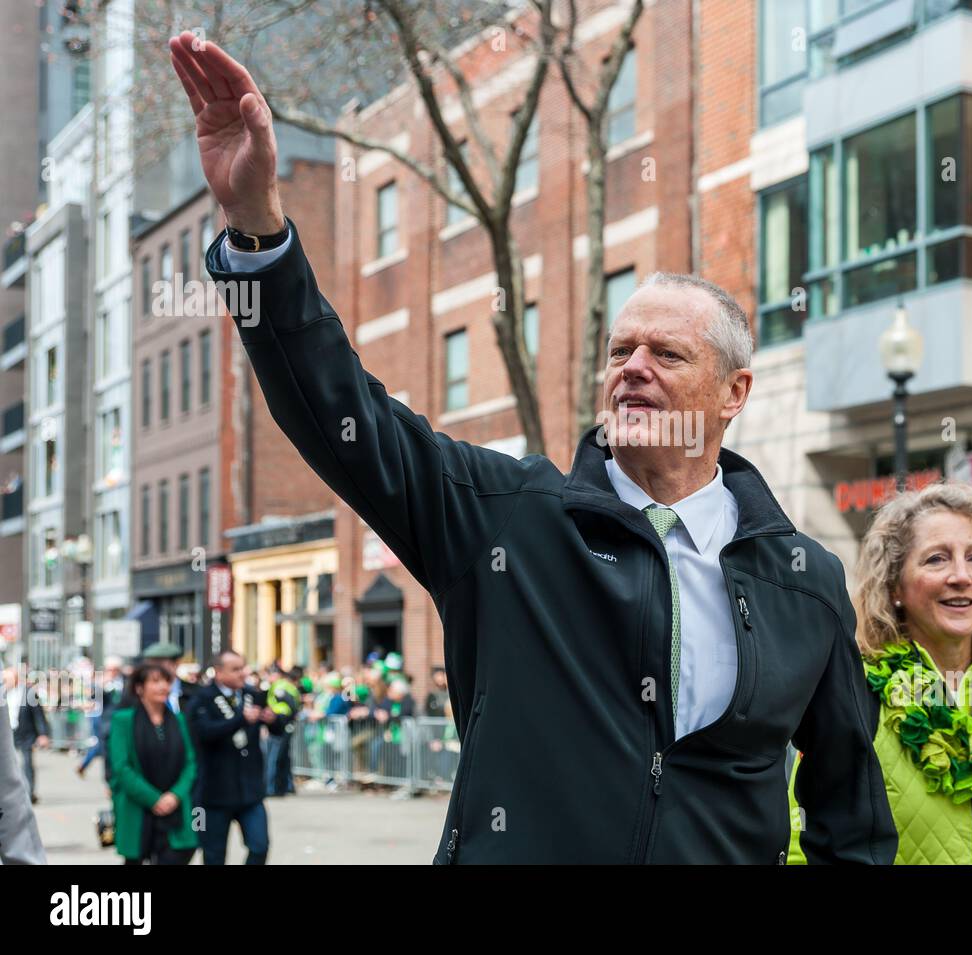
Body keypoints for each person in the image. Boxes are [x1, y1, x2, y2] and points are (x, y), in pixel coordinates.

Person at [169, 32, 896, 864]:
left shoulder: (803, 579)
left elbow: (851, 807)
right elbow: (346, 417)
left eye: (667, 355)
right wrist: (257, 229)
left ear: (733, 394)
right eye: (621, 352)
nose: (633, 371)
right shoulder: (506, 519)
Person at [789, 482, 972, 865]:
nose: (961, 576)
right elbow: (805, 845)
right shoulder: (853, 693)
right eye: (937, 559)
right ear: (895, 583)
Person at [108, 663, 200, 865]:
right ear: (140, 688)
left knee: (180, 854)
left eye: (166, 681)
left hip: (175, 808)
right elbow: (121, 767)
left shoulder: (179, 721)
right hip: (138, 807)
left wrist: (174, 796)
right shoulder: (123, 720)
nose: (163, 687)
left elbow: (190, 763)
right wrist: (154, 799)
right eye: (155, 681)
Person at [190, 651, 276, 865]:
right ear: (218, 672)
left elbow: (278, 728)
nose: (242, 673)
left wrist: (274, 720)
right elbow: (204, 732)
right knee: (214, 855)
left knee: (260, 846)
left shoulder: (251, 695)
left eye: (243, 668)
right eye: (235, 669)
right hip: (215, 792)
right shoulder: (202, 698)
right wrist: (240, 720)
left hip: (250, 790)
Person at [0, 699, 45, 864]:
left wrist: (43, 733)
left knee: (26, 766)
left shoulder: (28, 695)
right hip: (16, 734)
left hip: (25, 736)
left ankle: (32, 790)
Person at [4, 668, 49, 804]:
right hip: (9, 733)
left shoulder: (29, 693)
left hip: (26, 733)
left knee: (27, 763)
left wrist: (43, 734)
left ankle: (29, 794)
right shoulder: (4, 693)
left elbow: (39, 715)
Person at [79, 656, 125, 780]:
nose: (112, 672)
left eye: (114, 670)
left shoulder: (125, 682)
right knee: (105, 750)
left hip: (122, 723)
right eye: (109, 669)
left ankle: (84, 765)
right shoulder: (101, 683)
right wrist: (102, 685)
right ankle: (108, 778)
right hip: (105, 723)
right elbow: (92, 697)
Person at [263, 664, 300, 797]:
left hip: (280, 724)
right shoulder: (287, 686)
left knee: (274, 757)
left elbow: (287, 706)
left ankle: (271, 788)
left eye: (270, 674)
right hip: (284, 724)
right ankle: (286, 786)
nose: (267, 677)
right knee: (283, 757)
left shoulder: (279, 686)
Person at [141, 642, 198, 717]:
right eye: (150, 664)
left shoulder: (196, 693)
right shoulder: (138, 693)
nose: (154, 669)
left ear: (176, 663)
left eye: (159, 663)